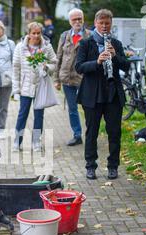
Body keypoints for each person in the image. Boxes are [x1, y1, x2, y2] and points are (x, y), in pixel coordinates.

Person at [75, 9, 130, 180]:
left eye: (107, 23)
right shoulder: (86, 43)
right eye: (101, 23)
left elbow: (126, 66)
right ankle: (90, 166)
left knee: (114, 132)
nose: (105, 26)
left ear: (111, 24)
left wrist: (114, 56)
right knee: (92, 131)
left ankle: (113, 166)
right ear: (96, 23)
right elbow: (79, 67)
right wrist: (97, 61)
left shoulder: (116, 43)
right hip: (92, 93)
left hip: (112, 93)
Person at [12, 22, 57, 152]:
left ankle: (36, 141)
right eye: (33, 33)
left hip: (40, 86)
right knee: (22, 114)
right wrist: (16, 89)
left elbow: (54, 62)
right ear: (29, 33)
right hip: (25, 86)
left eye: (38, 33)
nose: (36, 36)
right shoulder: (20, 47)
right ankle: (17, 141)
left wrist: (47, 67)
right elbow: (15, 68)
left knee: (39, 115)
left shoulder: (47, 47)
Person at [54, 8, 91, 147]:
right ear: (70, 21)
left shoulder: (90, 35)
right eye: (74, 19)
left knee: (88, 107)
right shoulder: (64, 36)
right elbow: (59, 57)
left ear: (83, 19)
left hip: (84, 78)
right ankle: (77, 135)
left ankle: (90, 134)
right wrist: (56, 79)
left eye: (79, 19)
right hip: (67, 78)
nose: (77, 21)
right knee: (72, 109)